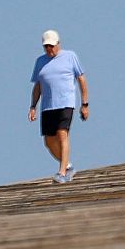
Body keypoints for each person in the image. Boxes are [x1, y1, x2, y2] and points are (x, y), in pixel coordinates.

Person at [28, 29, 89, 184]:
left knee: (62, 134)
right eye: (46, 46)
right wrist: (33, 106)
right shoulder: (40, 61)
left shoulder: (70, 56)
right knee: (48, 141)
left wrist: (84, 104)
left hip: (66, 103)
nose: (49, 49)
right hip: (48, 106)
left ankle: (61, 173)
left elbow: (81, 79)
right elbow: (38, 86)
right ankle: (67, 166)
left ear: (58, 44)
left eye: (51, 46)